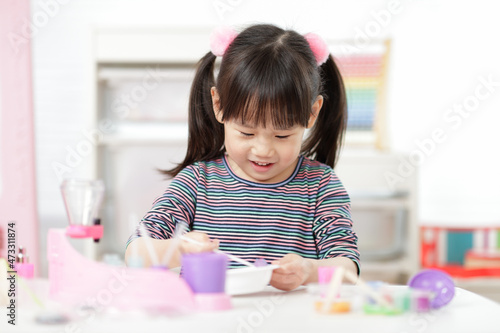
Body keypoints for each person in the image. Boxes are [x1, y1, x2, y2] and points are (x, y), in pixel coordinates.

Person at [125, 23, 359, 291]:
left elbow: (348, 267)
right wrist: (180, 248)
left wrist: (309, 271)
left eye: (281, 136)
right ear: (219, 106)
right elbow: (135, 253)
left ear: (312, 113)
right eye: (246, 133)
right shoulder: (197, 183)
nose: (263, 150)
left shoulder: (320, 186)